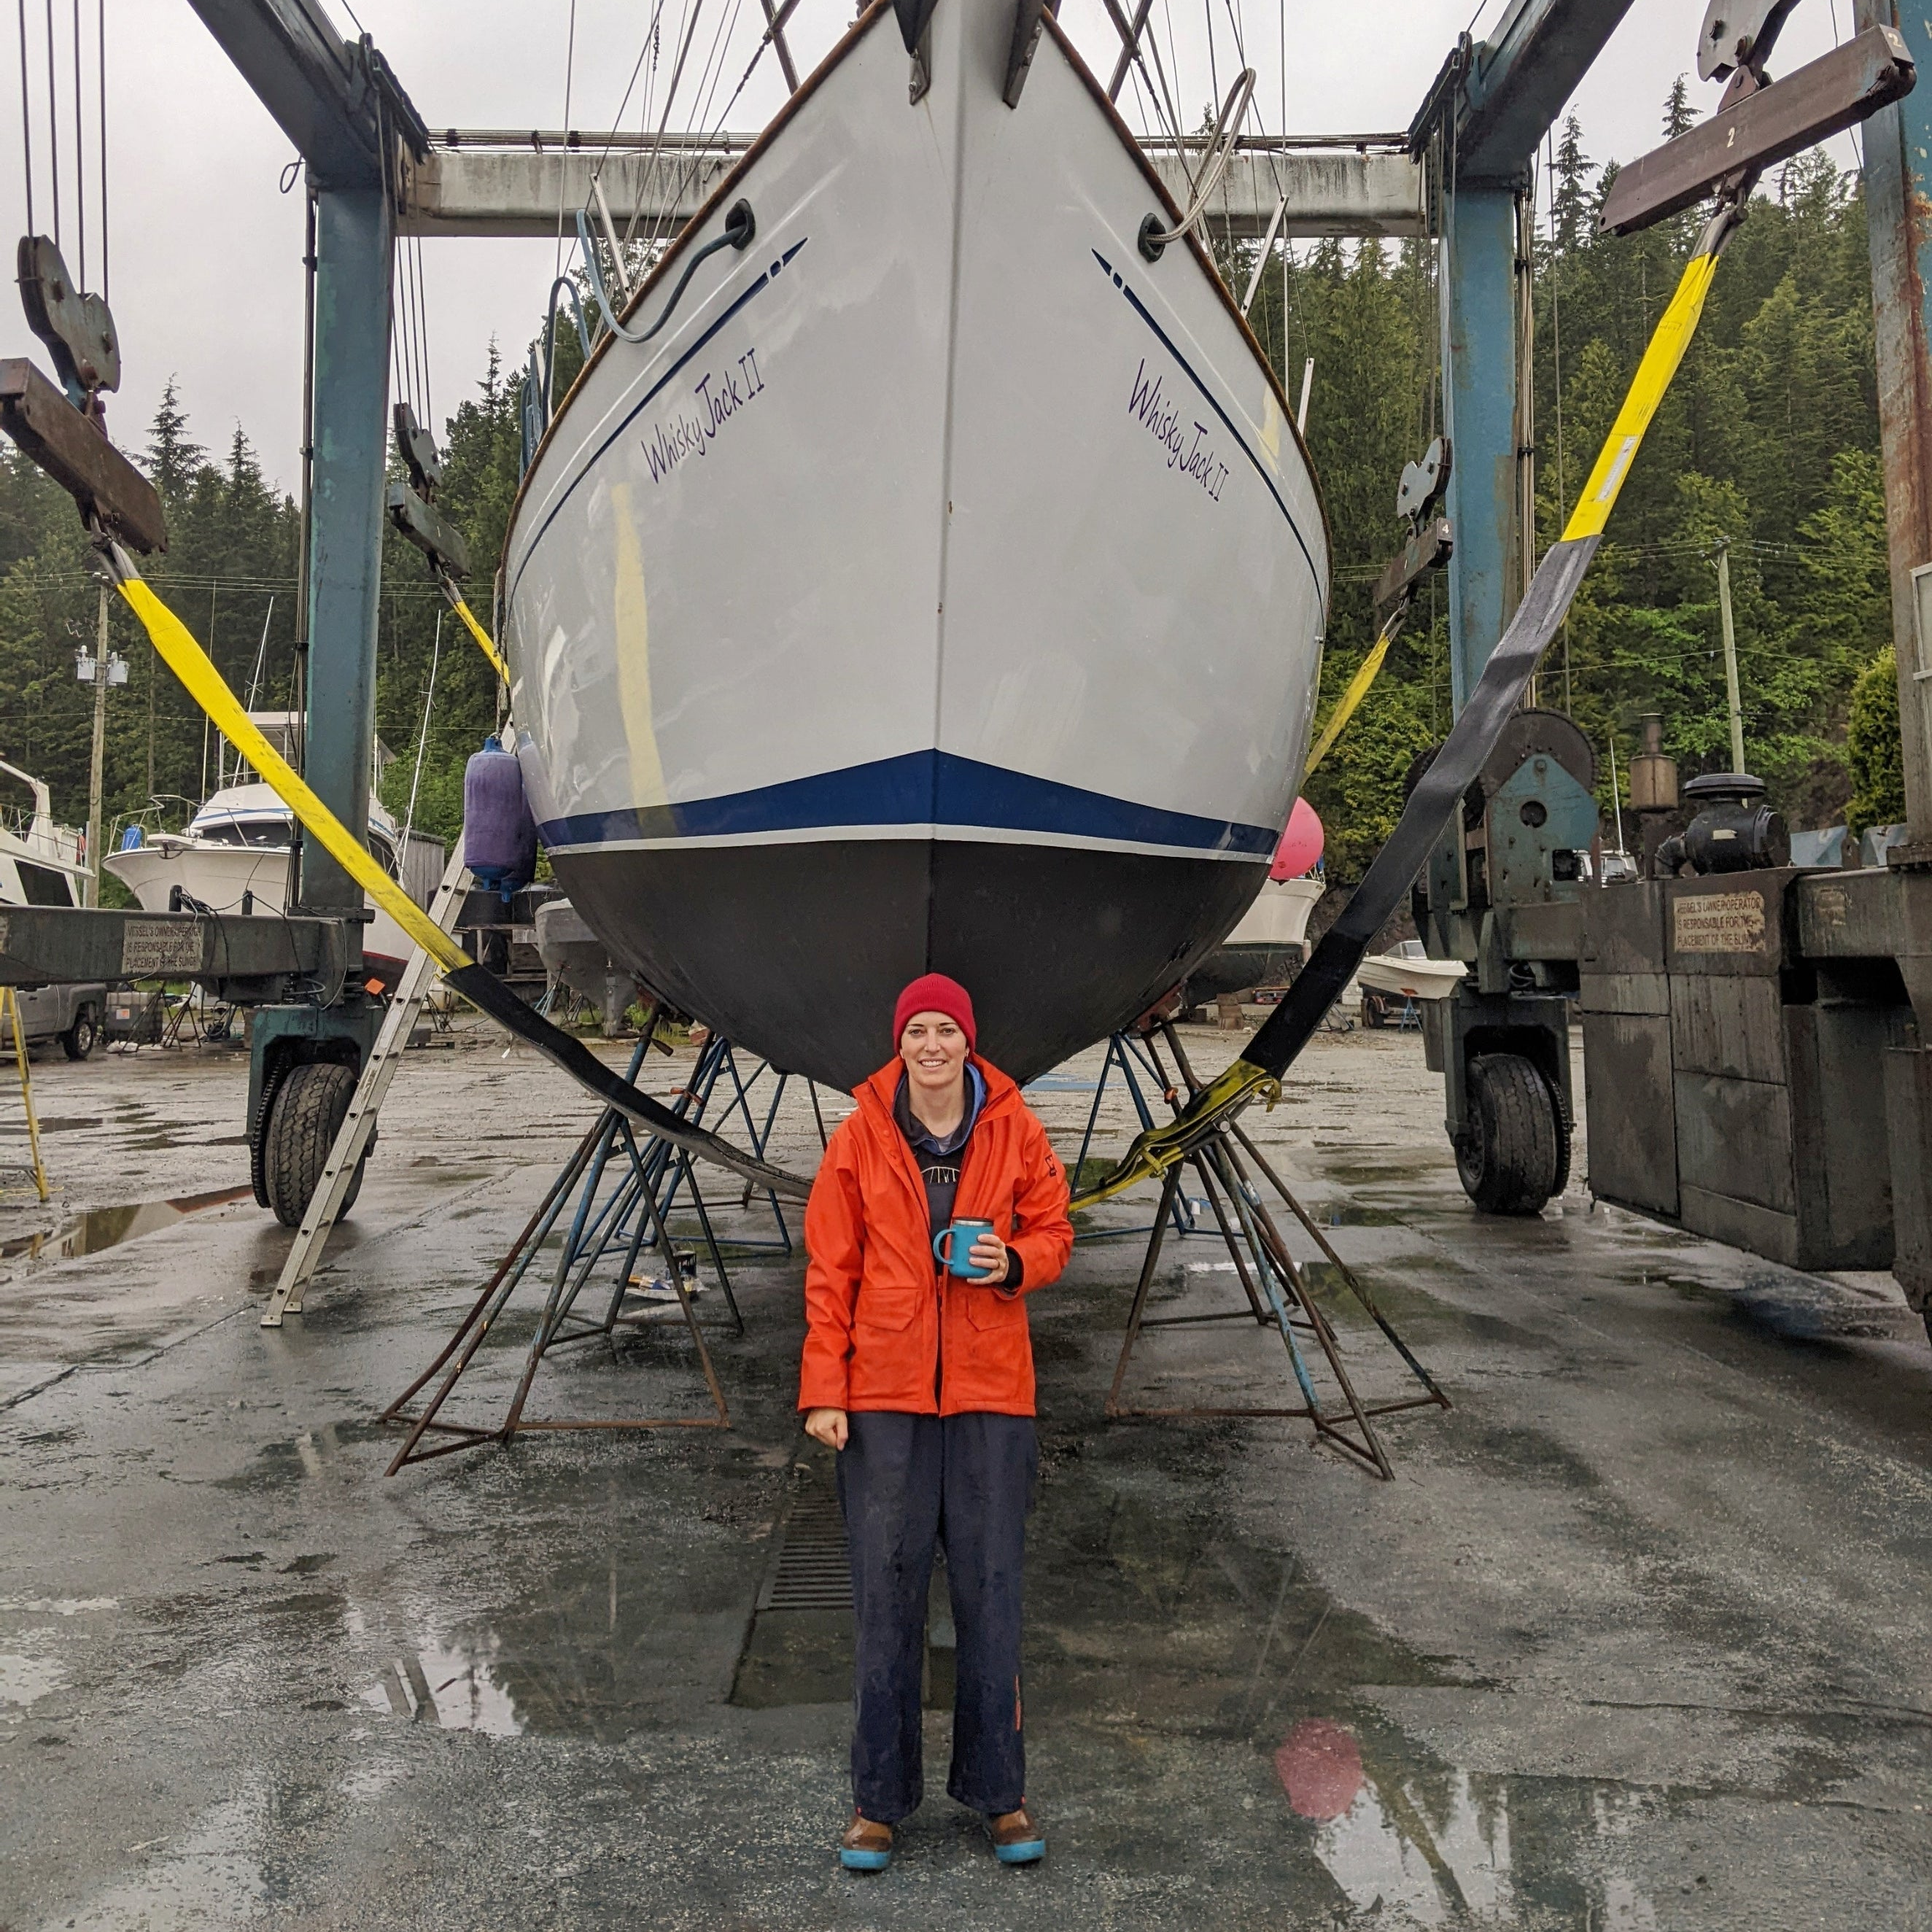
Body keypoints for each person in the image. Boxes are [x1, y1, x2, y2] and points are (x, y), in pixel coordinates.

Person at [800, 972, 1074, 1872]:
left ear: (967, 1040)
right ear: (900, 1042)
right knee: (887, 1599)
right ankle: (877, 1805)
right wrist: (825, 1391)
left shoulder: (1015, 1127)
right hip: (885, 1398)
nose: (930, 1046)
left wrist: (1013, 1263)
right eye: (916, 1031)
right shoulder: (859, 1137)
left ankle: (1001, 1797)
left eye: (945, 1031)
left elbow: (1057, 1230)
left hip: (993, 1394)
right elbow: (830, 1271)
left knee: (992, 1597)